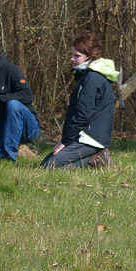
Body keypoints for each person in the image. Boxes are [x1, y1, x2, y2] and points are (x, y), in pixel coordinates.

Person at [41, 31, 119, 169]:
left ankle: (96, 159)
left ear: (90, 56)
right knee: (45, 163)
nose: (72, 59)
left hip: (91, 139)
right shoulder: (87, 76)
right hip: (84, 136)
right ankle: (94, 157)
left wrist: (66, 141)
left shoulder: (92, 80)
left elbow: (82, 115)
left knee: (49, 167)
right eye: (72, 54)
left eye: (77, 56)